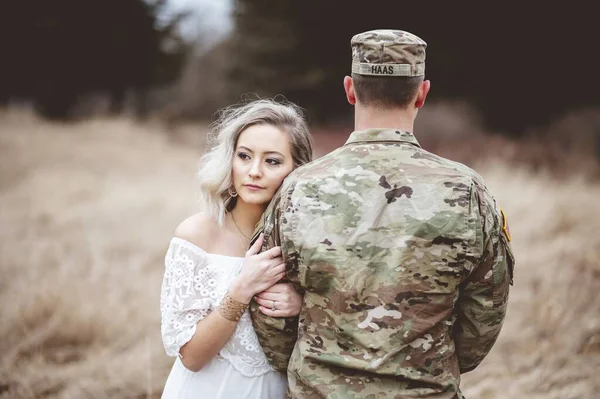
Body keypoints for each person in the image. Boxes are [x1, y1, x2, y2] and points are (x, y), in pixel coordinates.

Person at [249, 30, 515, 398]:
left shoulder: (298, 188)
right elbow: (484, 315)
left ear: (350, 90)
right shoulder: (467, 191)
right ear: (421, 93)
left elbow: (267, 304)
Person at [159, 98, 314, 399]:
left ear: (297, 169)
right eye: (244, 156)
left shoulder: (309, 241)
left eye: (272, 161)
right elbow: (191, 357)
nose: (254, 171)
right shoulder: (196, 235)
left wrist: (303, 306)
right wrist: (241, 289)